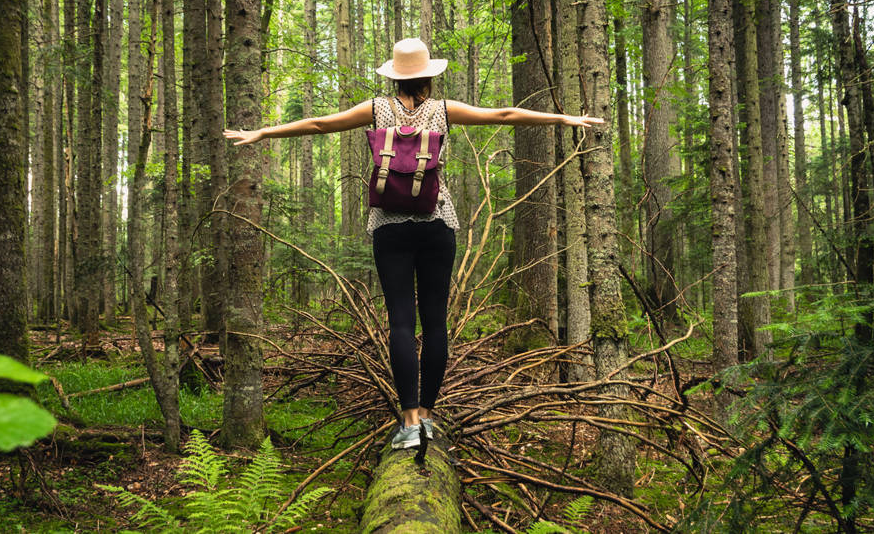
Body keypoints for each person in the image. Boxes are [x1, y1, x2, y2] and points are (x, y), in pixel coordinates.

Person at [225, 38, 603, 450]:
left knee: (402, 322)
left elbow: (318, 124)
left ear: (394, 75)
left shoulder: (375, 109)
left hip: (389, 226)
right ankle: (427, 417)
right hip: (437, 222)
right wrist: (563, 119)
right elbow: (505, 114)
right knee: (435, 321)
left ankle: (407, 423)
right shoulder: (443, 111)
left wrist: (262, 132)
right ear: (428, 75)